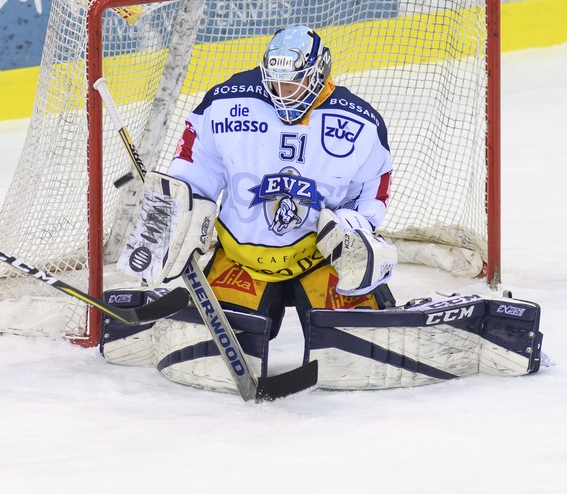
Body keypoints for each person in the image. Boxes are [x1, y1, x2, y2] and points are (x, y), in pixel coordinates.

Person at [113, 25, 397, 386]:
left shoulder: (361, 123)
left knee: (359, 357)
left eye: (294, 82)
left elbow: (373, 190)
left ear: (319, 72)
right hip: (242, 259)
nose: (284, 92)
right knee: (210, 355)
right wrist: (181, 212)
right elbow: (195, 167)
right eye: (276, 82)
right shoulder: (225, 103)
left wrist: (354, 226)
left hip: (320, 259)